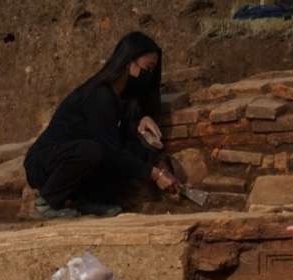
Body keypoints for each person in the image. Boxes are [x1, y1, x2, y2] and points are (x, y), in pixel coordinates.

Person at [24, 31, 179, 219]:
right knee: (94, 150)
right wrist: (155, 174)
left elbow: (124, 140)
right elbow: (110, 150)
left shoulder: (121, 98)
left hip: (74, 158)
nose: (148, 76)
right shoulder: (100, 96)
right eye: (146, 69)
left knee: (120, 149)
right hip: (45, 162)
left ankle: (85, 202)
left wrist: (144, 120)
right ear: (129, 62)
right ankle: (45, 204)